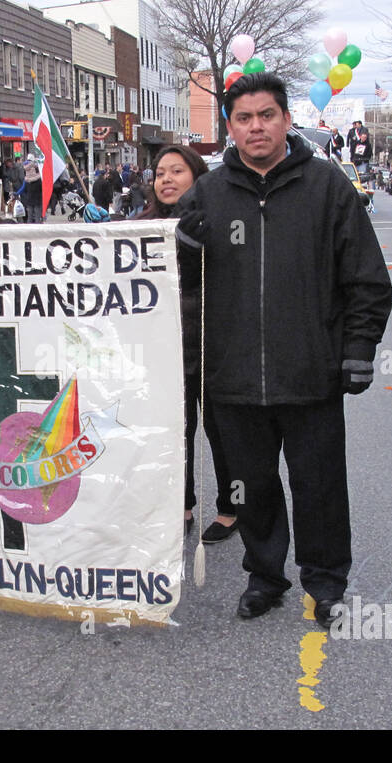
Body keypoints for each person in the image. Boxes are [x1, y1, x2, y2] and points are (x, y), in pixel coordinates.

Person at [174, 72, 392, 624]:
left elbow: (366, 278)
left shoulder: (327, 188)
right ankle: (264, 576)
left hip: (310, 373)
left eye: (266, 115)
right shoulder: (209, 194)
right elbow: (177, 288)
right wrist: (181, 248)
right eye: (244, 118)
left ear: (287, 119)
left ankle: (325, 582)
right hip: (234, 378)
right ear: (230, 128)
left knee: (318, 486)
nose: (256, 127)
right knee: (251, 489)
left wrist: (358, 348)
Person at [134, 145, 238, 544]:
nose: (166, 179)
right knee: (175, 433)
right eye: (160, 172)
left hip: (214, 346)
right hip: (164, 351)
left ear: (197, 178)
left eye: (177, 171)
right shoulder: (138, 227)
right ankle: (182, 504)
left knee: (221, 432)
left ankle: (231, 508)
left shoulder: (217, 224)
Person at [21, 152, 44, 223]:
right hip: (38, 199)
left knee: (30, 217)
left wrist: (17, 194)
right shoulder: (39, 180)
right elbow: (42, 189)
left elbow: (23, 189)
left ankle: (29, 230)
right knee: (37, 216)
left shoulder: (26, 179)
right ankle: (37, 230)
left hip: (29, 199)